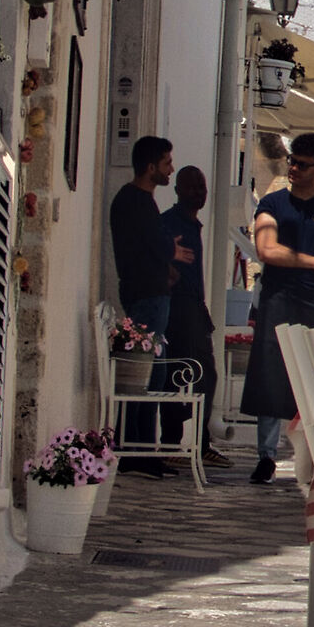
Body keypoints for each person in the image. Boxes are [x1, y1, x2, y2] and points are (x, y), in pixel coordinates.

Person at [240, 132, 314, 484]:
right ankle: (266, 454)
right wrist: (313, 263)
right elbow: (266, 249)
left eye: (302, 164)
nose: (293, 168)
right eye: (292, 161)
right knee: (270, 372)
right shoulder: (272, 203)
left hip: (311, 301)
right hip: (277, 295)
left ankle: (308, 458)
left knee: (312, 378)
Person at [108, 135, 190, 471]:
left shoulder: (141, 201)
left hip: (152, 294)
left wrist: (167, 258)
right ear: (151, 166)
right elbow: (147, 244)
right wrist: (169, 250)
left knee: (151, 375)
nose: (171, 169)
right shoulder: (134, 200)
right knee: (143, 375)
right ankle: (136, 451)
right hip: (146, 298)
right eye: (167, 163)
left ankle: (141, 448)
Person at [163, 164, 220, 461]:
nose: (199, 193)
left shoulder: (192, 224)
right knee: (182, 373)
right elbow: (161, 260)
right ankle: (174, 441)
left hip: (195, 307)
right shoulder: (171, 223)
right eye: (192, 187)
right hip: (180, 308)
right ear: (178, 190)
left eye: (202, 187)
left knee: (203, 375)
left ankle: (199, 441)